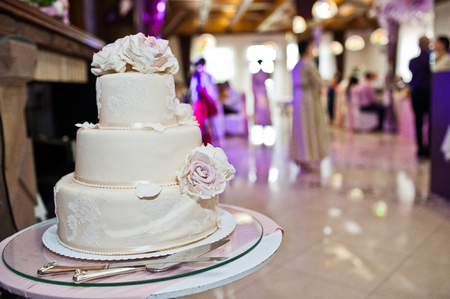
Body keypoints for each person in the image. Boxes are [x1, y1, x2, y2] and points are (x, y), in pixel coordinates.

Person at [290, 40, 329, 172]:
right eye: (311, 47)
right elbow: (318, 81)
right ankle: (306, 157)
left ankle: (300, 156)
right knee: (309, 126)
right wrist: (330, 82)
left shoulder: (296, 65)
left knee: (300, 127)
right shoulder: (308, 64)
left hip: (298, 97)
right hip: (307, 99)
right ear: (307, 48)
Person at [409, 36, 431, 158]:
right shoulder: (429, 59)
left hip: (420, 93)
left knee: (419, 121)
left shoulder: (415, 61)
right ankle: (424, 147)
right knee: (425, 121)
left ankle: (422, 148)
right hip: (424, 93)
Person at [190, 58, 219, 145]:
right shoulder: (195, 76)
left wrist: (211, 100)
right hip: (199, 103)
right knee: (200, 122)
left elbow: (211, 90)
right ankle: (202, 140)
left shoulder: (207, 76)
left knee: (208, 122)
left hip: (206, 102)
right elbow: (193, 90)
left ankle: (209, 141)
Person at [252, 60, 271, 126]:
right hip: (258, 92)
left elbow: (270, 75)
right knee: (259, 109)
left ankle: (265, 123)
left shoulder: (264, 73)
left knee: (264, 109)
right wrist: (254, 95)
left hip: (263, 91)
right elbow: (253, 85)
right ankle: (259, 122)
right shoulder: (255, 74)